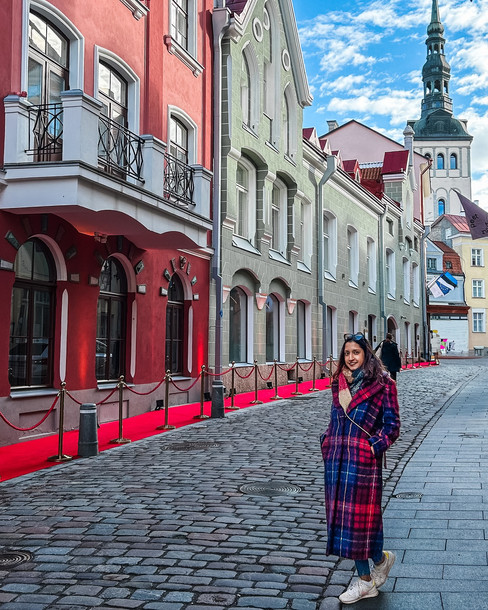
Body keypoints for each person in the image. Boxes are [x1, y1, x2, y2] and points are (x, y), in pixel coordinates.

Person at [320, 333, 401, 604]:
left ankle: (365, 582)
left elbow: (392, 426)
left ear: (366, 353)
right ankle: (379, 561)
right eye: (346, 353)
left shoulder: (383, 384)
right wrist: (327, 441)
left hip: (363, 463)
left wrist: (372, 448)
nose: (351, 358)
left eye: (356, 352)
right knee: (348, 523)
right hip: (337, 460)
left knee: (360, 523)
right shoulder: (339, 383)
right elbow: (335, 419)